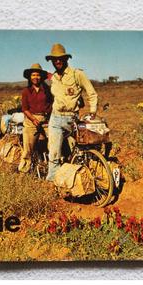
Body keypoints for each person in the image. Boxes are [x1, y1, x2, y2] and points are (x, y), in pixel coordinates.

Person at [45, 43, 98, 181]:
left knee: (78, 150)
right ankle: (53, 181)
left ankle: (81, 178)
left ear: (66, 59)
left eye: (60, 58)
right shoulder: (54, 78)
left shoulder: (77, 74)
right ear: (51, 61)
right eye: (54, 59)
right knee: (54, 152)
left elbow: (91, 93)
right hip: (56, 118)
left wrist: (93, 111)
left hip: (72, 118)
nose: (57, 61)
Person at [18, 63, 52, 173]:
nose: (35, 77)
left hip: (46, 120)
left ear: (41, 77)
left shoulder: (47, 90)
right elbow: (25, 109)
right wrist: (33, 119)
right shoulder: (26, 91)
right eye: (33, 75)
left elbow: (52, 105)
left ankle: (52, 169)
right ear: (30, 77)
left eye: (37, 75)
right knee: (28, 149)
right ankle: (23, 171)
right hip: (31, 121)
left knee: (53, 144)